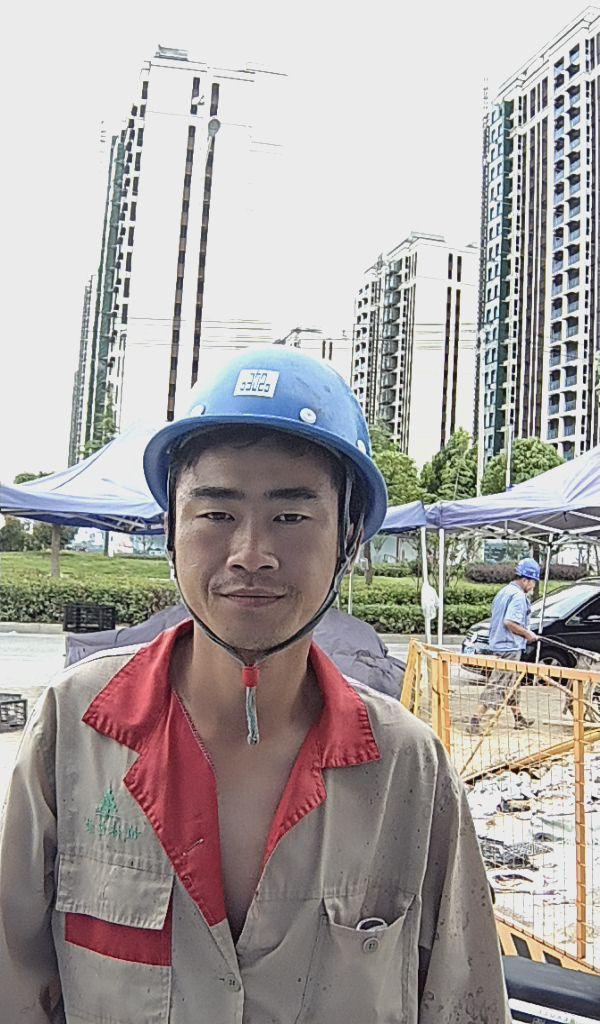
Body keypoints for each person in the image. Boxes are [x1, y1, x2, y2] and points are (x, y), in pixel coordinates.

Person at [0, 348, 510, 1023]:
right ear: (170, 531)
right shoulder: (74, 726)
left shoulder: (408, 769)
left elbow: (464, 1001)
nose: (250, 555)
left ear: (349, 539)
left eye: (291, 518)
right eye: (216, 514)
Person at [468, 558, 540, 735]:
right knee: (498, 685)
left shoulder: (504, 591)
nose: (533, 586)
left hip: (500, 643)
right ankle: (475, 721)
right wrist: (527, 634)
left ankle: (518, 718)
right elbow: (510, 622)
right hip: (509, 647)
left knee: (513, 684)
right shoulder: (518, 597)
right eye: (533, 582)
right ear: (526, 580)